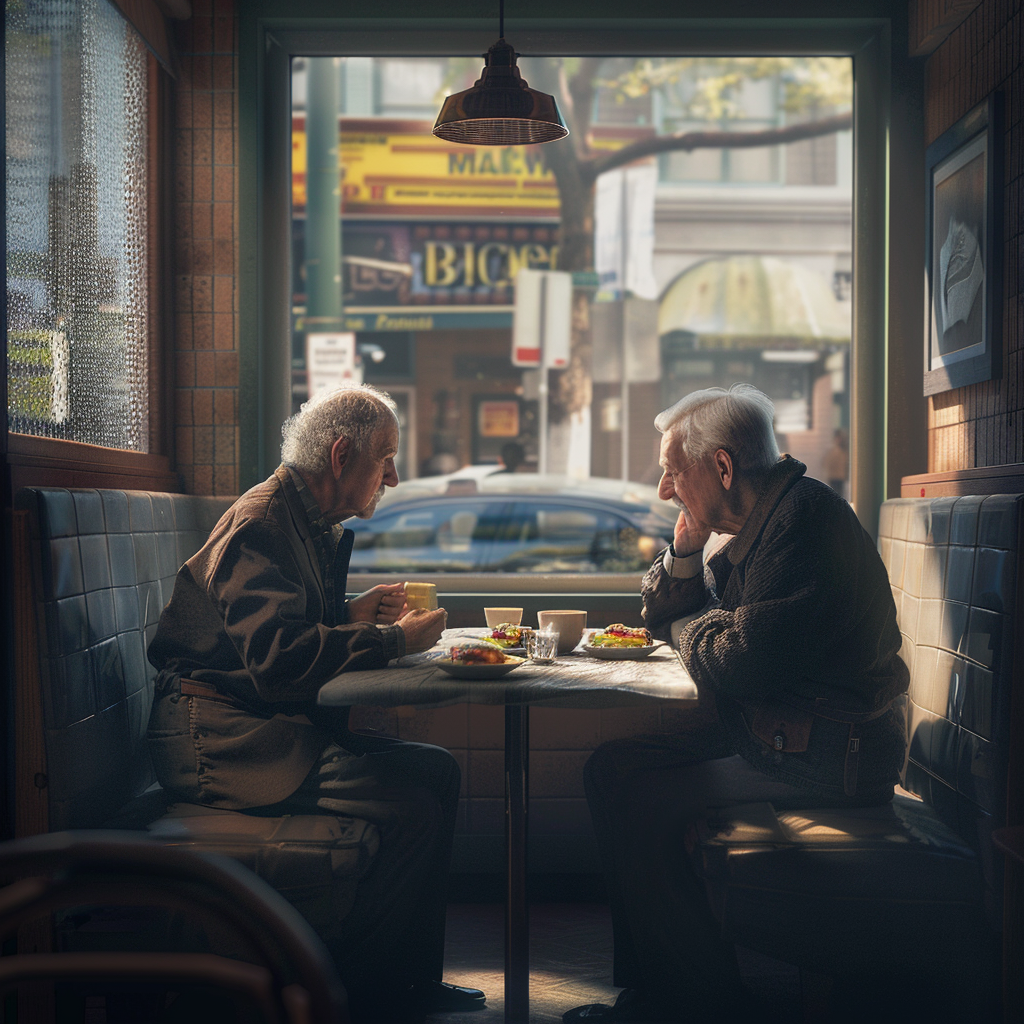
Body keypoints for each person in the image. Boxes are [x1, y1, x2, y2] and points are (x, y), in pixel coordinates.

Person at [563, 384, 908, 1024]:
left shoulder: (804, 523)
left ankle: (695, 1002)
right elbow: (670, 612)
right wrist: (687, 554)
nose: (665, 490)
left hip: (834, 756)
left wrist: (690, 624)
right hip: (782, 734)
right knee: (610, 770)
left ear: (722, 467)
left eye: (672, 472)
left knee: (639, 795)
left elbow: (739, 660)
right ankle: (654, 989)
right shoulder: (760, 521)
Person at [147, 382, 485, 1022]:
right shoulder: (262, 523)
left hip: (255, 723)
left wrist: (350, 615)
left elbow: (275, 633)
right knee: (412, 803)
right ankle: (365, 995)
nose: (394, 473)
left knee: (438, 770)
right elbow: (277, 661)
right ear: (340, 455)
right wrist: (387, 640)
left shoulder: (303, 519)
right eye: (384, 456)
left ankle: (410, 980)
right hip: (221, 741)